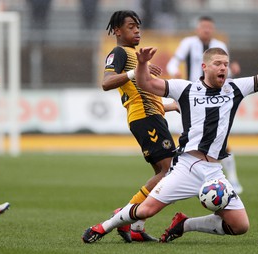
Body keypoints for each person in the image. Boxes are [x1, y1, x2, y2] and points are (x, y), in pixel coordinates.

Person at [81, 37, 258, 243]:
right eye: (218, 64)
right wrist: (143, 63)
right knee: (146, 210)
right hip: (186, 166)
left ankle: (185, 224)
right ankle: (104, 226)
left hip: (213, 172)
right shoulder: (186, 89)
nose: (224, 68)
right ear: (205, 67)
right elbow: (145, 83)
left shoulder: (235, 89)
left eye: (226, 64)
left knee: (240, 225)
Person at [82, 10, 176, 243]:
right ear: (117, 31)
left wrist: (171, 106)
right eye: (131, 26)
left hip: (152, 115)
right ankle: (124, 216)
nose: (137, 30)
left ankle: (135, 225)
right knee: (169, 172)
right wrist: (135, 71)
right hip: (145, 119)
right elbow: (106, 82)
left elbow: (142, 94)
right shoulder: (119, 52)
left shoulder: (135, 54)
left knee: (164, 173)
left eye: (138, 26)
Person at [166, 16, 243, 193]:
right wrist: (174, 71)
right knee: (188, 137)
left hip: (215, 98)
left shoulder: (219, 46)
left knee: (220, 138)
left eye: (209, 27)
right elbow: (173, 62)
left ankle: (233, 179)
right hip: (193, 98)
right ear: (197, 29)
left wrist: (233, 70)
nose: (206, 30)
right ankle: (181, 175)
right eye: (203, 27)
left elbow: (225, 71)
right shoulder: (188, 43)